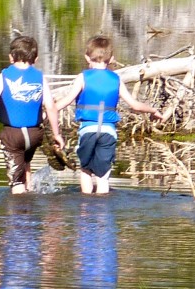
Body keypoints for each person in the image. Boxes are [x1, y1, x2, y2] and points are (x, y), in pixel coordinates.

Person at [55, 35, 163, 195]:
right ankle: (102, 213)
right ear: (111, 59)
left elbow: (66, 101)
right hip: (108, 133)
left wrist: (47, 112)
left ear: (87, 57)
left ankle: (85, 208)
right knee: (102, 176)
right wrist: (153, 110)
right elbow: (134, 105)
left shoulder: (83, 77)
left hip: (87, 130)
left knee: (85, 170)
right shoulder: (116, 79)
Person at [0, 35, 65, 194]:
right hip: (34, 134)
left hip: (12, 135)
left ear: (11, 57)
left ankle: (19, 213)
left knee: (16, 181)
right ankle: (30, 193)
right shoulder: (40, 77)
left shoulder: (5, 76)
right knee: (25, 163)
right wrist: (57, 134)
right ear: (36, 58)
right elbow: (51, 107)